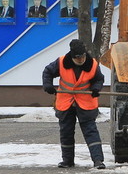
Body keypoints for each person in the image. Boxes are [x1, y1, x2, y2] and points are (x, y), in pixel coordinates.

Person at [42, 39, 105, 169]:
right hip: (66, 103)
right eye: (78, 58)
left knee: (91, 132)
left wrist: (96, 88)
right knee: (66, 133)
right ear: (71, 56)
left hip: (85, 103)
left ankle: (98, 161)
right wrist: (47, 85)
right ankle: (67, 161)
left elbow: (99, 79)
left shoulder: (92, 64)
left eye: (82, 57)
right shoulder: (61, 62)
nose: (81, 60)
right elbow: (47, 72)